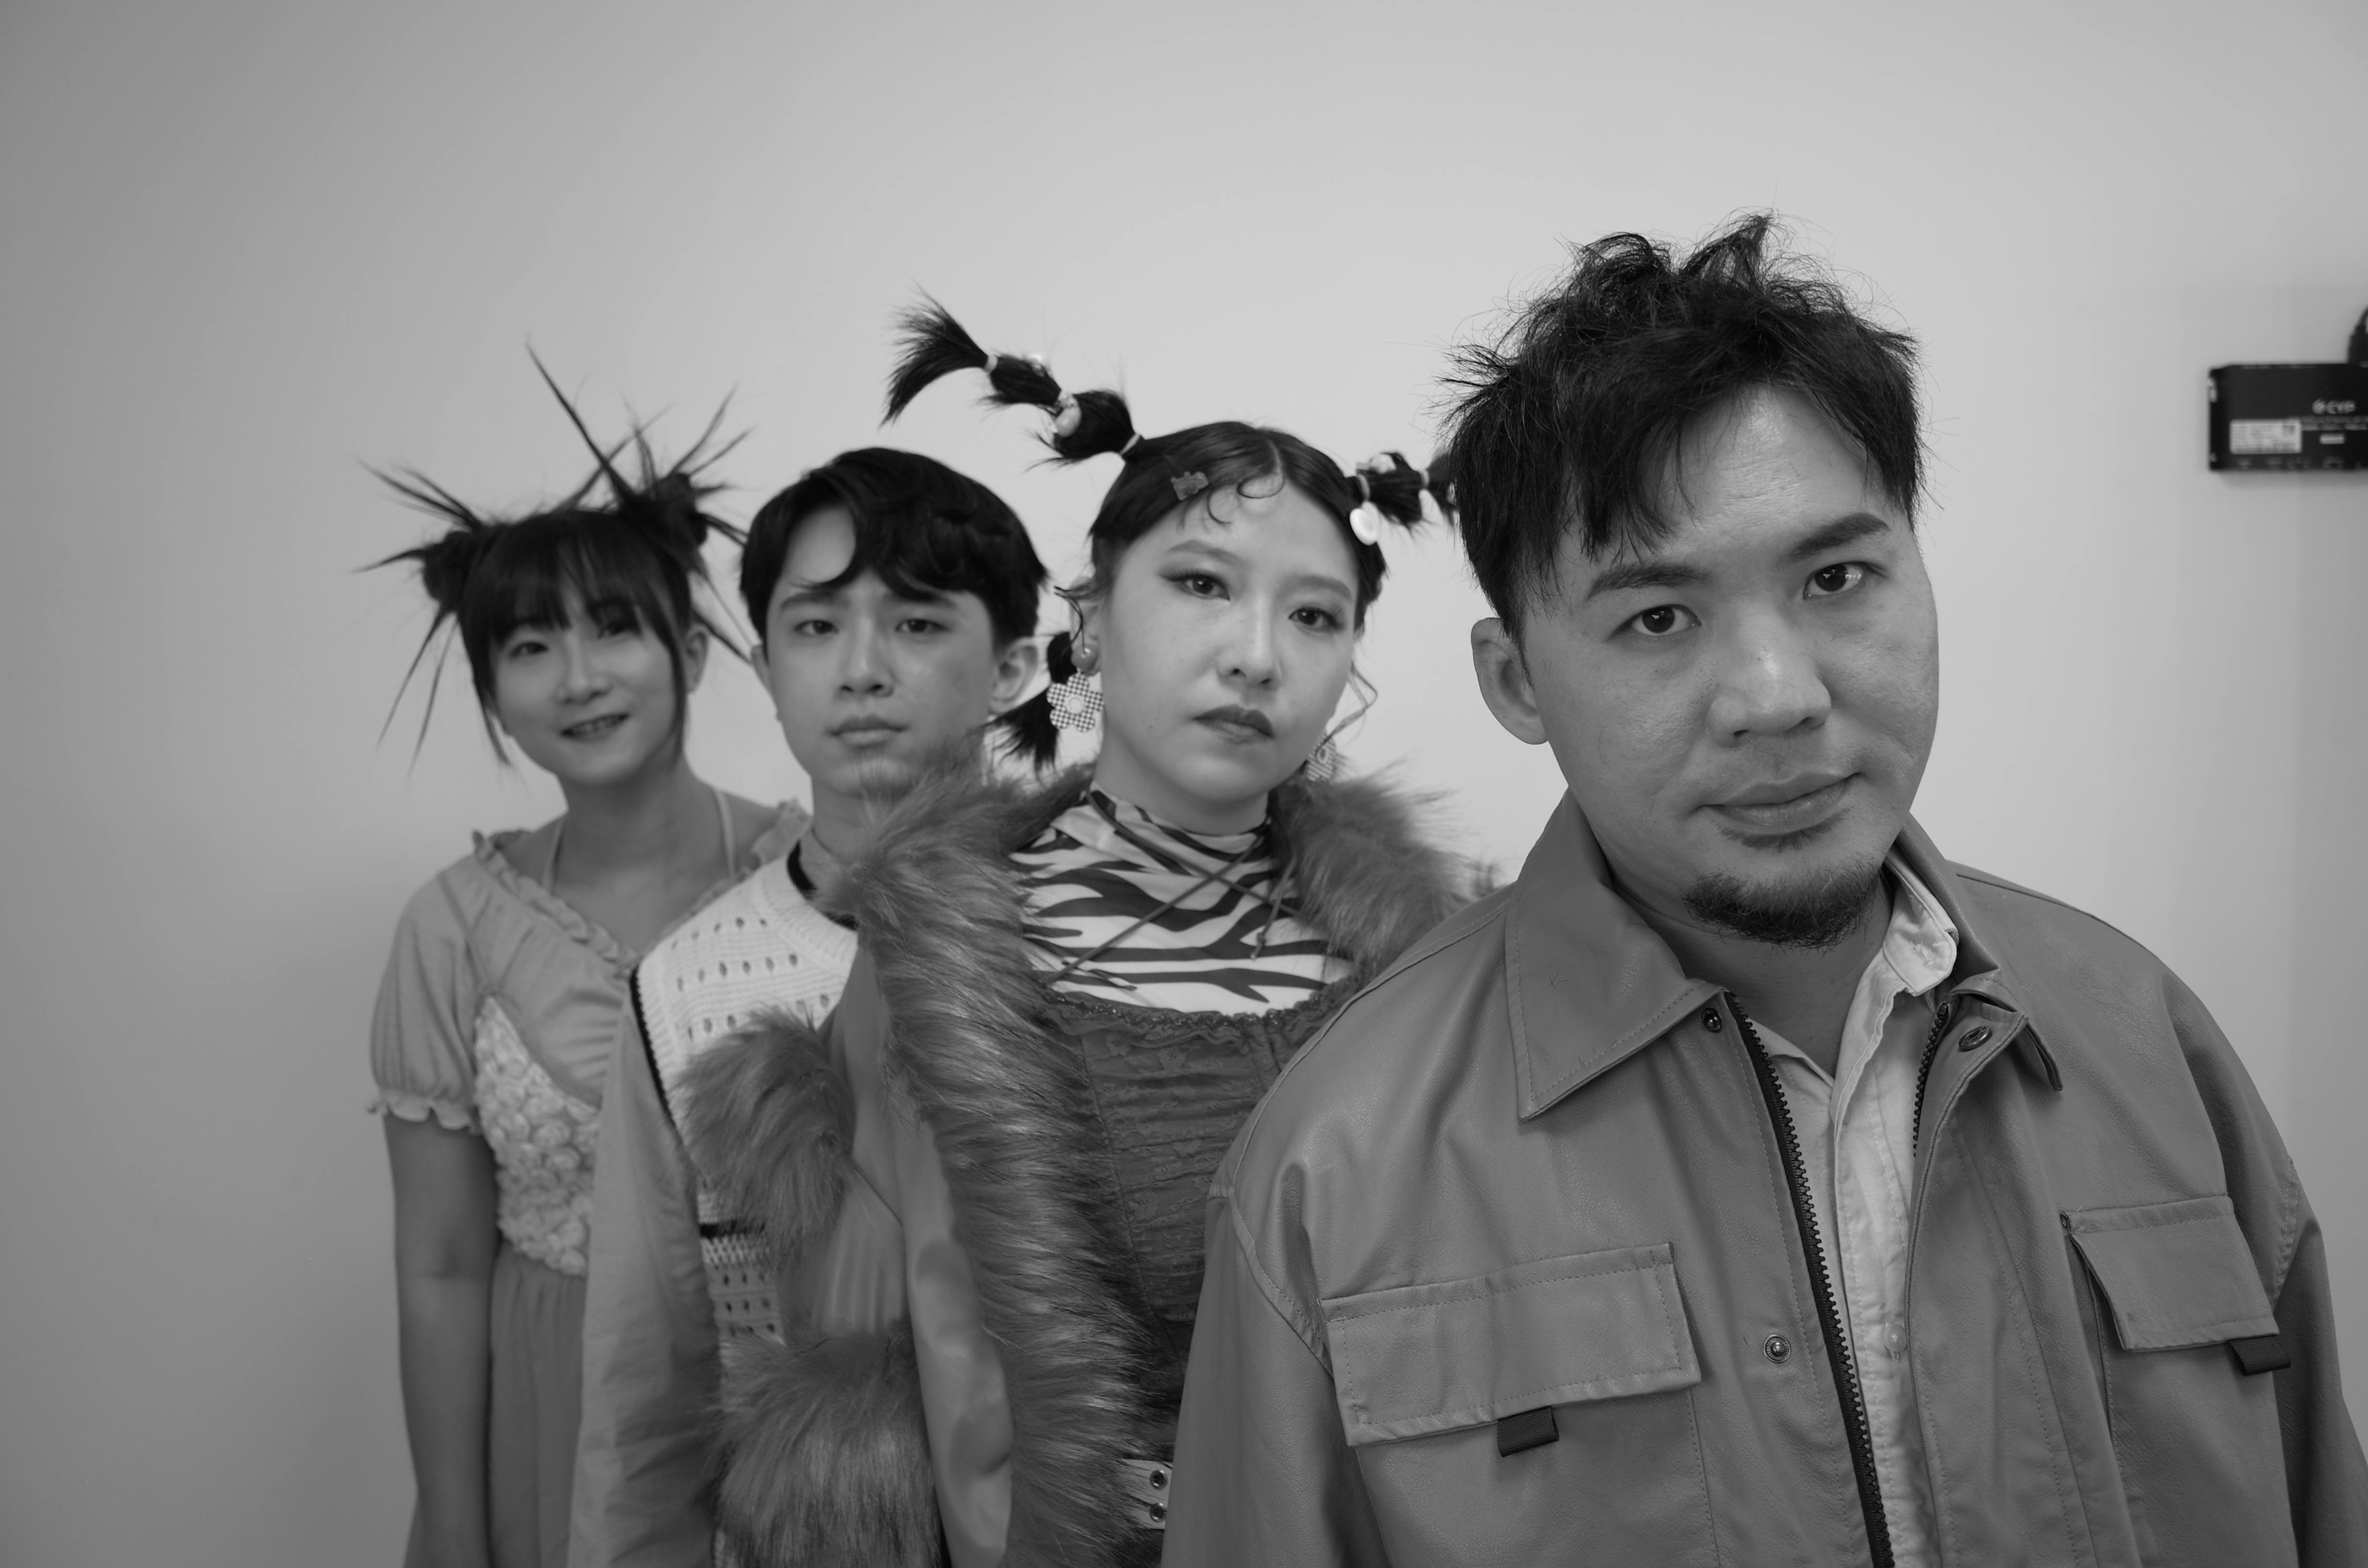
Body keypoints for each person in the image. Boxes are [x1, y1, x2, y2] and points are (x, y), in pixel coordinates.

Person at [1164, 215, 2368, 1567]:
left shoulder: (2145, 1038)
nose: (1778, 697)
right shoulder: (1335, 1163)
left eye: (1837, 578)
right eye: (1657, 618)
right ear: (1517, 682)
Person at [673, 303, 1473, 1568]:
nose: (1256, 655)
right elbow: (886, 1405)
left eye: (1315, 616)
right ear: (1090, 622)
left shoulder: (1433, 965)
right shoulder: (944, 969)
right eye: (1201, 585)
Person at [567, 448, 1049, 1568]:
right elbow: (645, 1396)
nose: (862, 670)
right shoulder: (686, 987)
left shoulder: (1099, 931)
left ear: (1015, 667)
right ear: (765, 666)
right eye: (817, 627)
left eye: (918, 623)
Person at [370, 387, 786, 1568]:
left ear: (690, 652)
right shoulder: (453, 929)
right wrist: (454, 1524)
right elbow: (442, 1266)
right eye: (530, 647)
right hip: (551, 1404)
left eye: (612, 628)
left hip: (781, 1399)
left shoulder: (808, 882)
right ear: (494, 697)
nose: (578, 677)